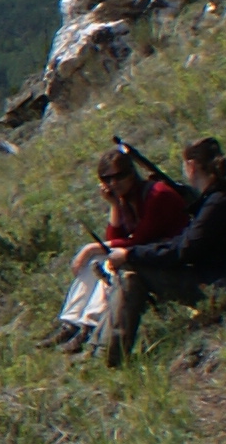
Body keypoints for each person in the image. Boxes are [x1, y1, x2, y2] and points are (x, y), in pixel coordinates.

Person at [101, 138, 226, 364]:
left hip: (225, 289)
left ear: (191, 166)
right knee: (133, 266)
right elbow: (185, 243)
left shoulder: (217, 203)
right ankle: (104, 350)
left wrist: (130, 254)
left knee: (132, 271)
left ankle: (109, 357)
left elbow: (183, 250)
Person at [55, 144, 193, 347]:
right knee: (98, 259)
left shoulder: (156, 195)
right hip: (146, 250)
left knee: (111, 261)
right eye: (106, 179)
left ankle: (90, 325)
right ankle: (71, 323)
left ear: (131, 173)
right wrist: (114, 206)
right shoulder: (127, 199)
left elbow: (139, 239)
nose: (113, 183)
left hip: (167, 256)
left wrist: (90, 247)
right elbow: (114, 236)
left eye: (118, 176)